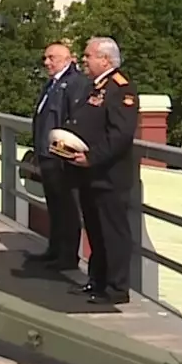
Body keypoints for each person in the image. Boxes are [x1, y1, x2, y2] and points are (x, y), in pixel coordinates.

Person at [62, 36, 139, 307]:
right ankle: (97, 281)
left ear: (105, 59)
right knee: (94, 230)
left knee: (113, 232)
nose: (83, 59)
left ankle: (116, 288)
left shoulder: (121, 89)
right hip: (89, 173)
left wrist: (92, 157)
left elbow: (120, 135)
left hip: (110, 175)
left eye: (88, 55)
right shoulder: (94, 87)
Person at [26, 42, 91, 272]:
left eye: (51, 58)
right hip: (47, 154)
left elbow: (72, 122)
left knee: (67, 207)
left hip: (60, 157)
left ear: (67, 59)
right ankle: (54, 250)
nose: (47, 62)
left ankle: (66, 256)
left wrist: (64, 155)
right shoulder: (52, 84)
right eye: (46, 58)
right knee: (54, 205)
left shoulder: (75, 83)